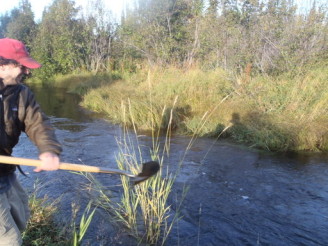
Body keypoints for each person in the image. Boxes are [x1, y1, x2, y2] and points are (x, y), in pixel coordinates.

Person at [0, 38, 62, 245]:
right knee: (9, 239)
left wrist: (48, 150)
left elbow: (38, 123)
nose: (27, 71)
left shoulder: (22, 93)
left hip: (5, 171)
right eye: (21, 66)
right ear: (3, 64)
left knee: (21, 216)